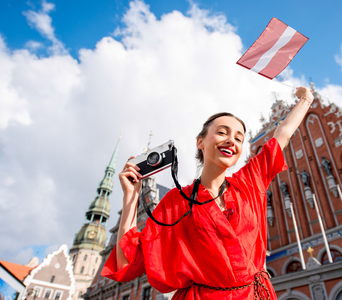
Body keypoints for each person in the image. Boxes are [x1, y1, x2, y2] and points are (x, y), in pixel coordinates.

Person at [101, 87, 314, 299]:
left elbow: (282, 135)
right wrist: (131, 197)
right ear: (200, 142)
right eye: (222, 132)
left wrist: (306, 99)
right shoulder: (177, 201)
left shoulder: (249, 181)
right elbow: (127, 260)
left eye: (239, 138)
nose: (232, 140)